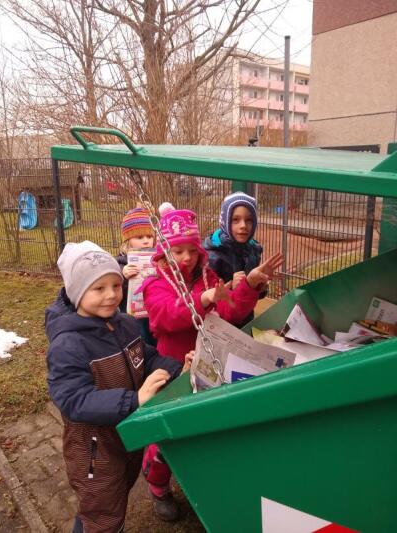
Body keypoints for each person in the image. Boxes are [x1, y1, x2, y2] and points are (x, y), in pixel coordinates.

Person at [140, 204, 282, 517]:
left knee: (204, 425)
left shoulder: (208, 276)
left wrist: (250, 285)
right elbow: (164, 318)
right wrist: (202, 299)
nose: (187, 258)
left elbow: (230, 311)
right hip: (174, 366)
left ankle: (201, 475)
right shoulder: (154, 283)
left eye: (192, 250)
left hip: (210, 361)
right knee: (166, 434)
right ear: (164, 251)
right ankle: (158, 483)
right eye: (178, 251)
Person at [45, 240, 193, 533]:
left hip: (126, 437)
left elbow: (146, 357)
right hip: (93, 450)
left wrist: (179, 370)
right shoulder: (68, 344)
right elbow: (73, 400)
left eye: (116, 285)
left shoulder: (123, 324)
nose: (112, 295)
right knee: (103, 513)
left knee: (109, 502)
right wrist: (134, 399)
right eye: (99, 289)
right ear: (77, 293)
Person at [204, 191, 277, 325]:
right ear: (225, 221)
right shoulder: (212, 255)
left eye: (249, 220)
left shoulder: (253, 250)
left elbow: (254, 297)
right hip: (219, 327)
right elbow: (206, 299)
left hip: (246, 321)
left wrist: (260, 287)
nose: (243, 225)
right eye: (235, 219)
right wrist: (231, 286)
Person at [116, 206, 156, 345]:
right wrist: (123, 276)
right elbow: (114, 288)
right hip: (132, 315)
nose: (146, 241)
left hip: (153, 310)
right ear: (128, 241)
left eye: (150, 236)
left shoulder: (158, 258)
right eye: (139, 237)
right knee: (139, 339)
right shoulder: (120, 263)